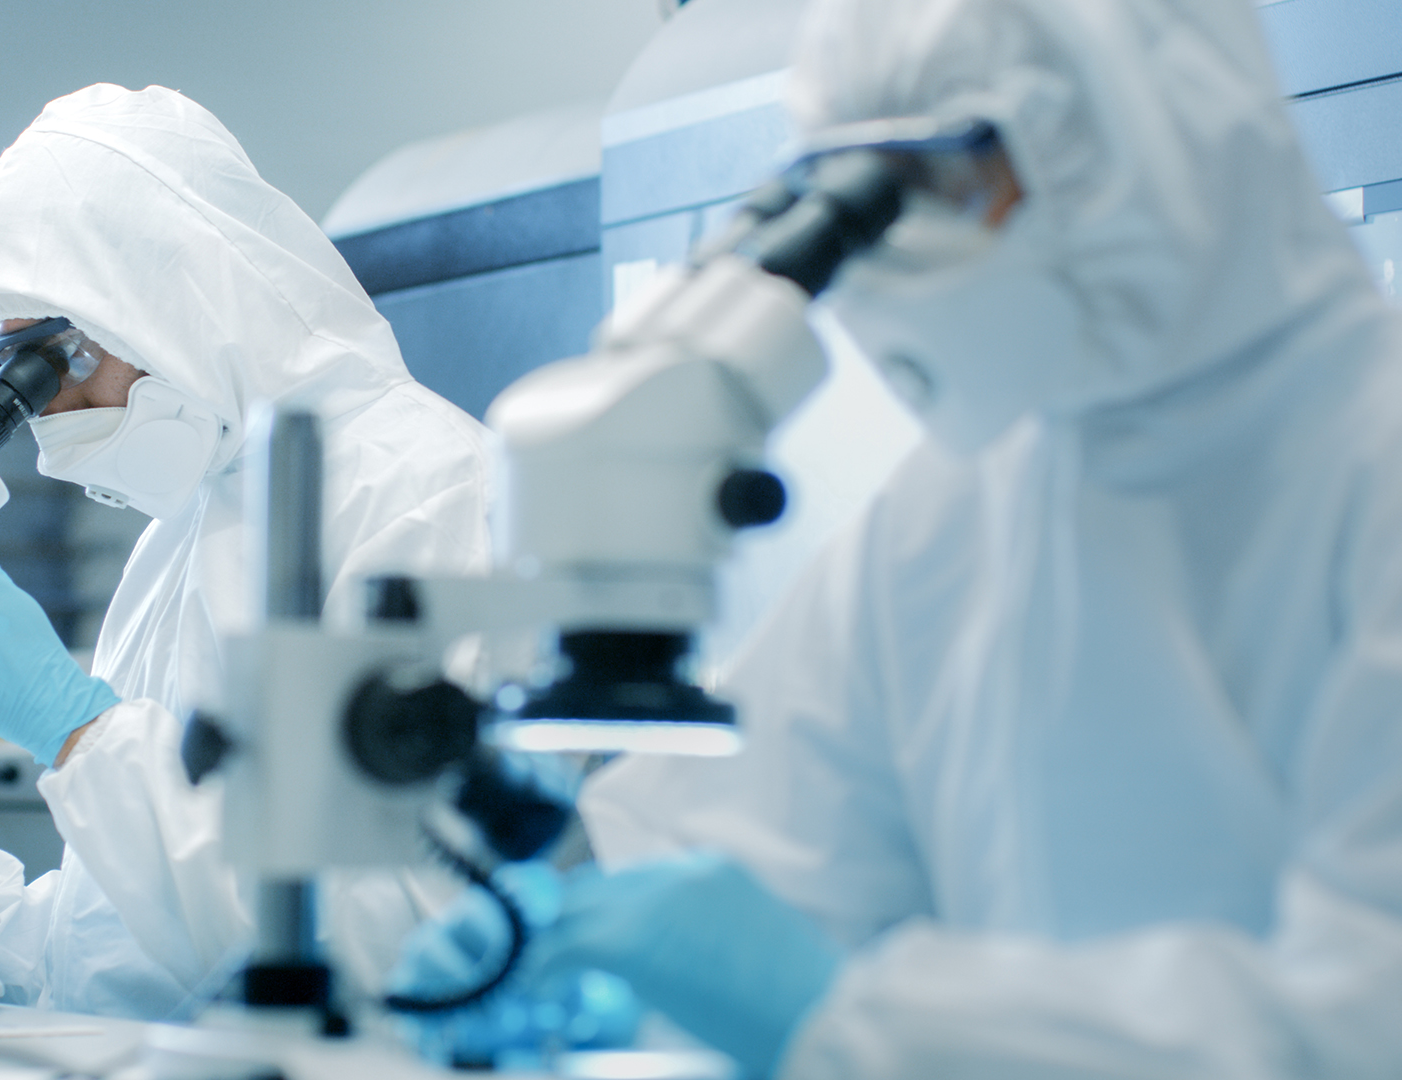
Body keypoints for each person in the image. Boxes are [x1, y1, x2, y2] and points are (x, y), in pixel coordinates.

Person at [401, 0, 1402, 1075]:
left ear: (1152, 134)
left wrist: (837, 1010)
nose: (893, 260)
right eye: (855, 197)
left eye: (941, 179)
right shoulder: (953, 510)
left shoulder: (1369, 461)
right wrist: (596, 966)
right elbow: (760, 866)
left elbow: (1363, 1018)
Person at [0, 83, 494, 1018]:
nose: (45, 417)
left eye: (49, 364)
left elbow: (401, 939)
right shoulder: (188, 531)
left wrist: (80, 732)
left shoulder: (430, 495)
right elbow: (133, 939)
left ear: (167, 304)